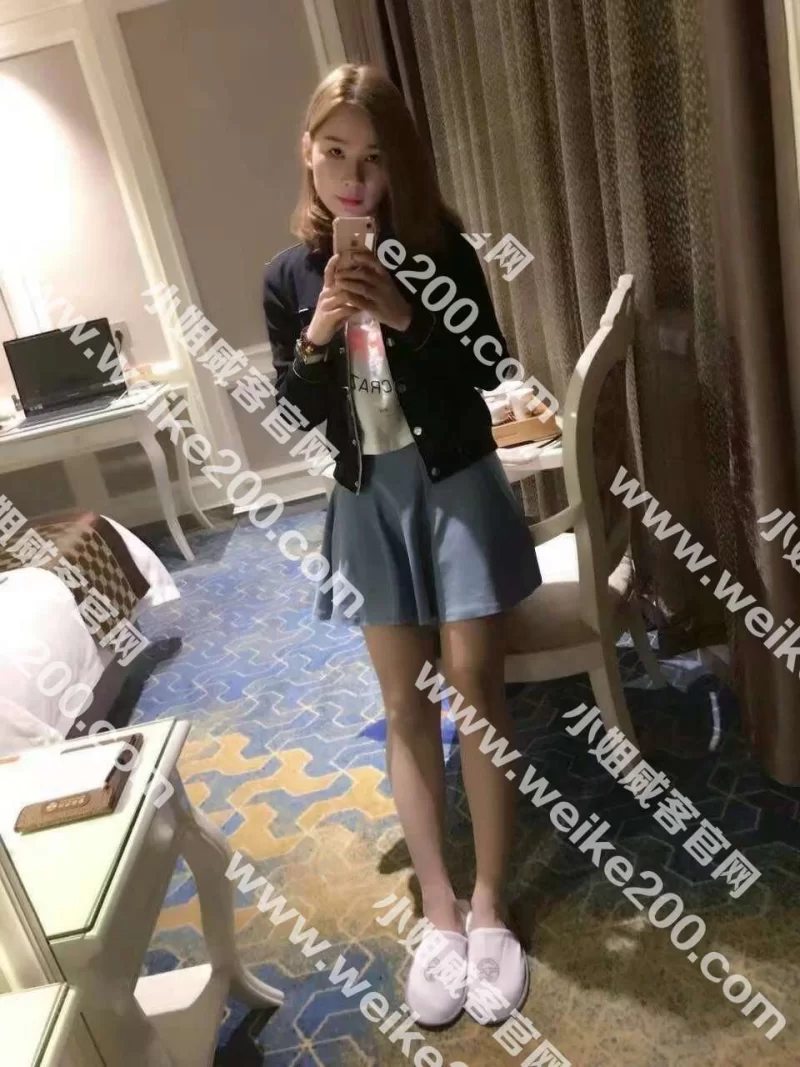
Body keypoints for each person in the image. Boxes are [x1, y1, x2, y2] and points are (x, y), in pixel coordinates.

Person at [262, 63, 542, 1029]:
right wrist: (317, 334)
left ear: (397, 166)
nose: (354, 177)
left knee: (475, 684)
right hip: (367, 498)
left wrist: (405, 315)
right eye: (335, 152)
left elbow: (491, 366)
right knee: (401, 703)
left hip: (455, 483)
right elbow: (293, 413)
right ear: (308, 154)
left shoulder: (439, 248)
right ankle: (440, 911)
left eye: (373, 159)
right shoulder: (288, 276)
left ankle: (492, 905)